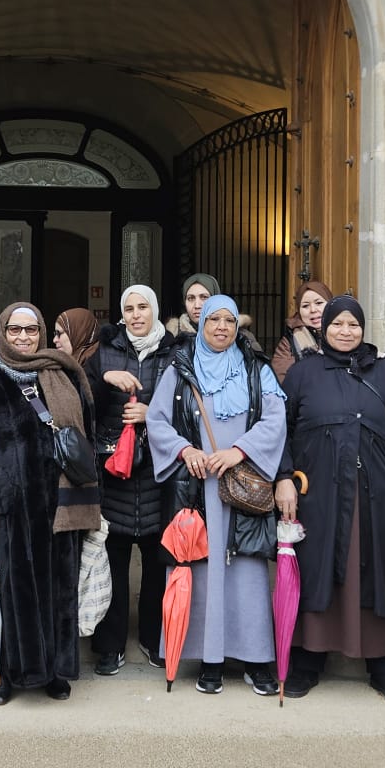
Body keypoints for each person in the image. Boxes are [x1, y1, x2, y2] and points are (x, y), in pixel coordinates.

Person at [0, 303, 98, 703]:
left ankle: (53, 671)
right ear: (2, 332)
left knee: (57, 591)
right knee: (8, 591)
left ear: (41, 333)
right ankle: (3, 675)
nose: (24, 337)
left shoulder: (63, 372)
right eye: (15, 330)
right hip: (6, 508)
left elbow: (86, 433)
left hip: (58, 504)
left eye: (31, 330)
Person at [279, 296, 385, 700]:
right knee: (318, 569)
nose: (345, 331)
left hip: (376, 496)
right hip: (318, 495)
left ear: (363, 329)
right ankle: (308, 663)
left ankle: (383, 666)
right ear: (324, 328)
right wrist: (284, 478)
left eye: (353, 325)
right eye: (337, 324)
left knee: (377, 572)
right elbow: (280, 430)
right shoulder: (303, 373)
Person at [146, 292, 287, 696]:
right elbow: (157, 419)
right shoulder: (181, 368)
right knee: (201, 574)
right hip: (197, 489)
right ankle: (210, 661)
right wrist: (184, 450)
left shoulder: (256, 368)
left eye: (229, 320)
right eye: (214, 320)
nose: (222, 327)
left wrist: (238, 451)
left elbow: (275, 420)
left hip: (241, 485)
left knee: (247, 574)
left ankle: (256, 660)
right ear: (201, 324)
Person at [87, 285, 184, 675]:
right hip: (116, 472)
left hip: (159, 474)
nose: (136, 314)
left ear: (155, 310)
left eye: (143, 307)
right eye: (129, 308)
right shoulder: (105, 351)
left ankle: (152, 638)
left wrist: (152, 415)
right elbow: (84, 404)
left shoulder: (175, 353)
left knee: (158, 566)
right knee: (113, 565)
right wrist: (104, 377)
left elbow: (189, 410)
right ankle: (109, 647)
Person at [270, 280, 333, 381]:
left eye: (319, 303)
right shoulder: (288, 342)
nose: (313, 310)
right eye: (305, 306)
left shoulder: (345, 333)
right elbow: (281, 379)